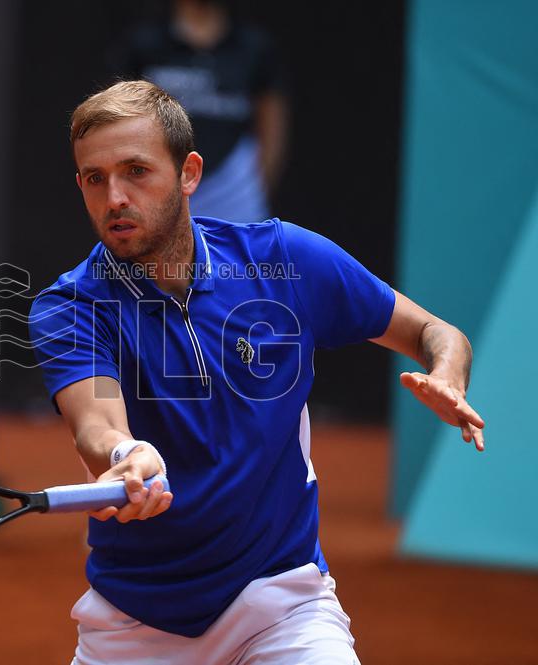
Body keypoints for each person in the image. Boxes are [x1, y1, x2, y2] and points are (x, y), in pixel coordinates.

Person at [28, 80, 484, 665]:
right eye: (95, 178)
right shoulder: (69, 306)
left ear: (189, 173)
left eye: (136, 171)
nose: (114, 196)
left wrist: (446, 374)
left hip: (281, 604)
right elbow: (96, 424)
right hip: (134, 625)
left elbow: (435, 333)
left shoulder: (285, 261)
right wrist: (124, 456)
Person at [112, 0, 287, 223]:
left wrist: (254, 185)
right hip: (162, 190)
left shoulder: (253, 47)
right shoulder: (144, 45)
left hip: (234, 195)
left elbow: (272, 122)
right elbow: (121, 118)